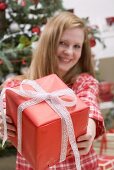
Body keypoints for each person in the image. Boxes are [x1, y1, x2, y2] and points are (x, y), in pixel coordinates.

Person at [0, 11, 105, 170]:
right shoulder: (18, 88)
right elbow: (4, 112)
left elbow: (89, 104)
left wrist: (88, 129)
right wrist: (3, 123)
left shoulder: (83, 82)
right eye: (63, 43)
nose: (69, 52)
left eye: (76, 46)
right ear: (49, 43)